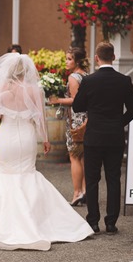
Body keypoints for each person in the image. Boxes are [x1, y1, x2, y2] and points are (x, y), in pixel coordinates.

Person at [0, 53, 93, 251]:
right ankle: (39, 222)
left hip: (7, 137)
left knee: (6, 174)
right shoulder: (35, 90)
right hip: (27, 137)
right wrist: (45, 139)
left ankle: (0, 223)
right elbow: (40, 118)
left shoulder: (4, 88)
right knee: (27, 174)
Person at [72, 42, 133, 234]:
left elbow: (77, 106)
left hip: (93, 136)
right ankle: (111, 223)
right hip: (115, 137)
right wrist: (119, 122)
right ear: (114, 57)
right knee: (113, 178)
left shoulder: (89, 81)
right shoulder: (124, 81)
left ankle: (93, 221)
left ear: (96, 58)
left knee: (92, 179)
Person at [49, 47, 89, 206]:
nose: (66, 62)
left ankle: (77, 192)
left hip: (76, 120)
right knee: (84, 157)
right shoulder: (86, 75)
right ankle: (86, 191)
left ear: (77, 61)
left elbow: (75, 100)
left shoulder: (73, 77)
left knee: (74, 157)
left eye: (69, 59)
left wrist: (56, 100)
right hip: (86, 118)